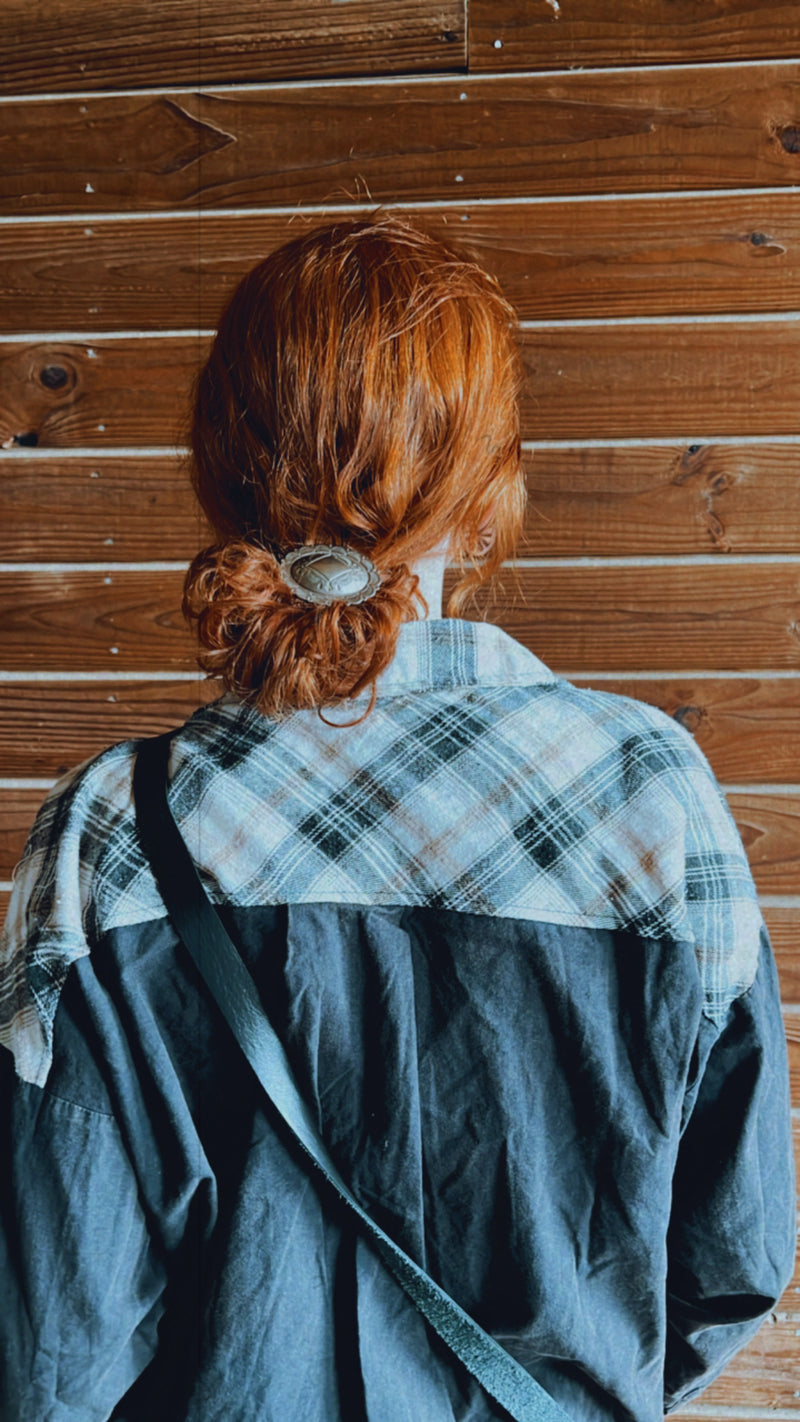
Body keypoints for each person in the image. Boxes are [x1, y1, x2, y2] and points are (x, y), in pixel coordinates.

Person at [0, 216, 794, 1422]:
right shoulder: (652, 796)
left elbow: (54, 1346)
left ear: (224, 478)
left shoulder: (113, 835)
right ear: (485, 503)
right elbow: (731, 1264)